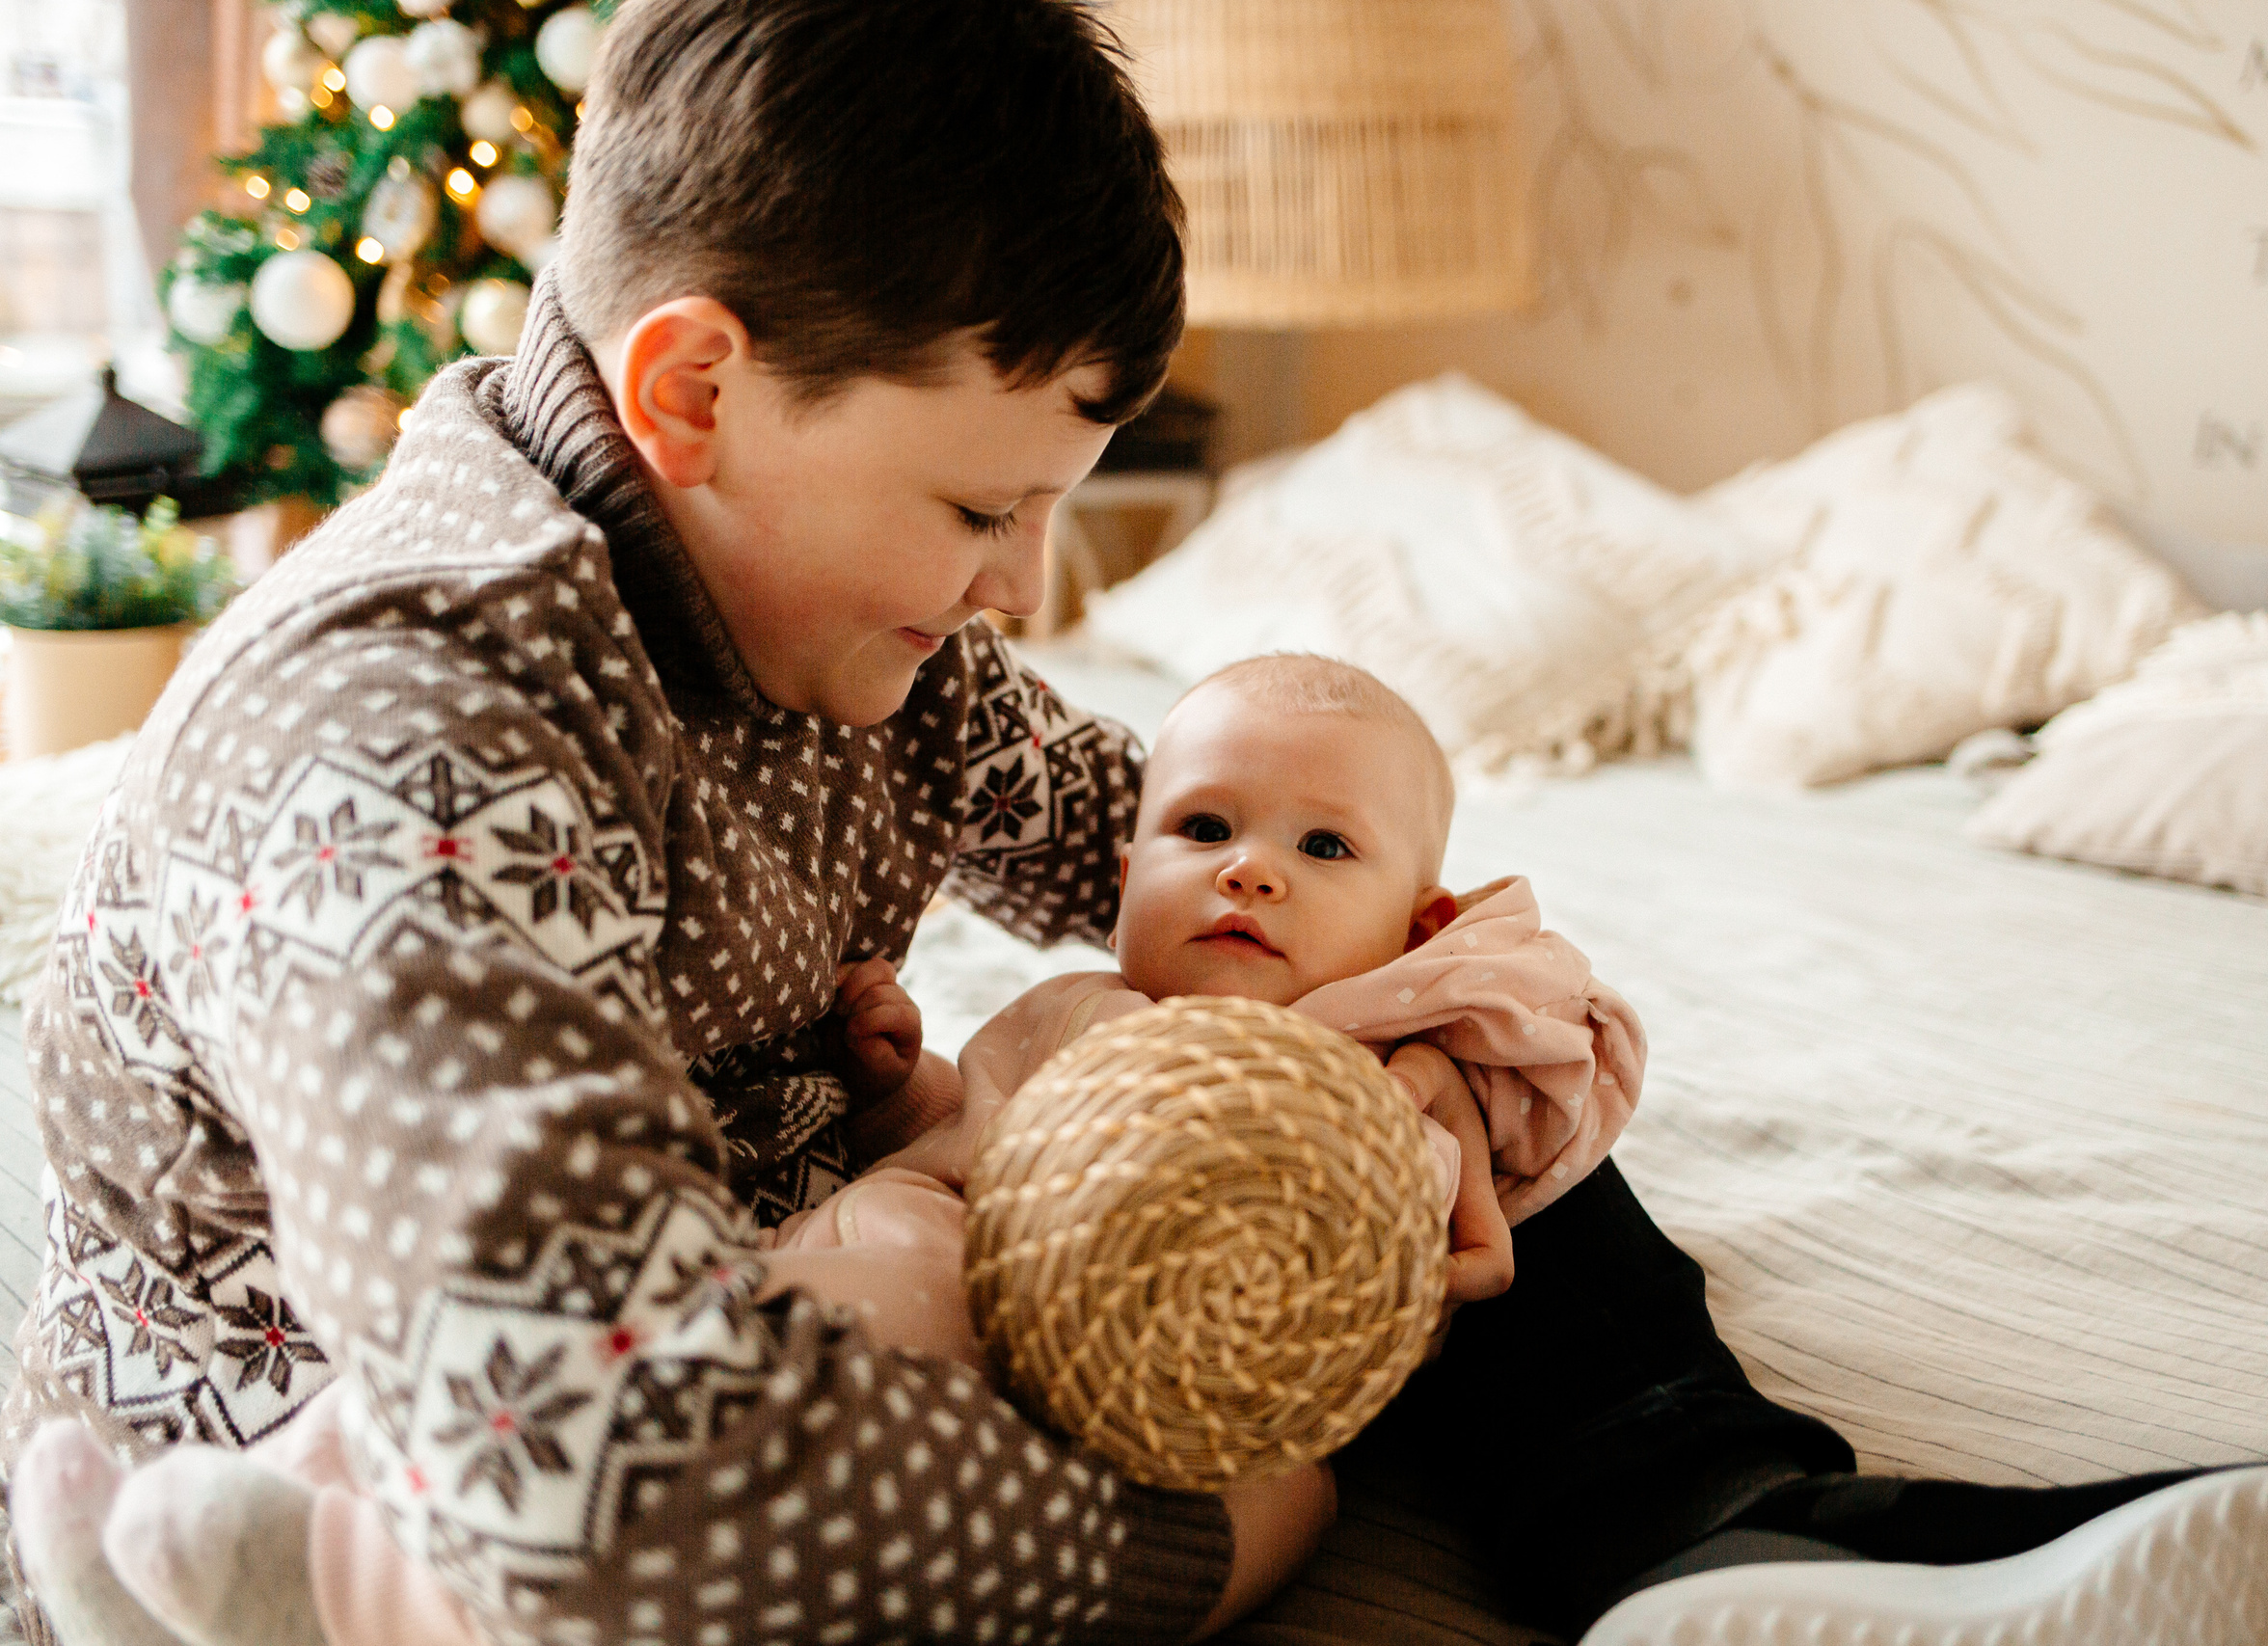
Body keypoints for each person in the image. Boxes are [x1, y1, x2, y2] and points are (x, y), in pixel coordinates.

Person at [2, 3, 1316, 1643]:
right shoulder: (393, 738)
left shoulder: (867, 649)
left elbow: (1195, 857)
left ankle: (1697, 1530)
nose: (1022, 591)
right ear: (692, 387)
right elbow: (605, 1482)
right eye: (981, 510)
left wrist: (1454, 990)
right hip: (309, 1563)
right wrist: (1224, 1535)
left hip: (750, 1348)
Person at [53, 653, 1646, 1646]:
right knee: (589, 1355)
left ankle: (376, 1602)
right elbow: (963, 1139)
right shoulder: (1075, 1001)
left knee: (1255, 1519)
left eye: (1324, 848)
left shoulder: (1374, 1061)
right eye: (1202, 830)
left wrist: (1424, 1087)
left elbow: (1528, 1057)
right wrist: (895, 1089)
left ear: (1417, 919)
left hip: (1188, 1416)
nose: (1253, 878)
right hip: (911, 1283)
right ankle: (221, 1515)